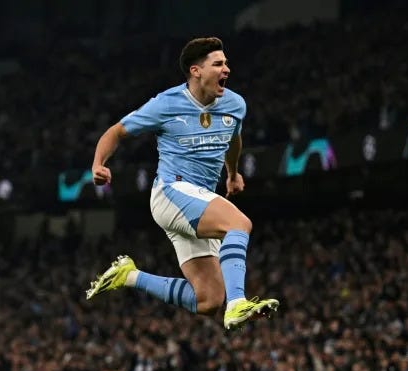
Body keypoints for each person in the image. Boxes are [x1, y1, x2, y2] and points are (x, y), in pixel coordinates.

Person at [86, 37, 279, 330]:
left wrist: (233, 173)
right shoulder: (166, 104)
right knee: (239, 224)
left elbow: (233, 138)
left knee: (209, 300)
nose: (226, 68)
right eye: (218, 63)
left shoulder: (235, 104)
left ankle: (130, 276)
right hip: (171, 192)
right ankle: (238, 302)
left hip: (198, 201)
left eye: (226, 63)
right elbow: (117, 131)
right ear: (196, 70)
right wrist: (99, 163)